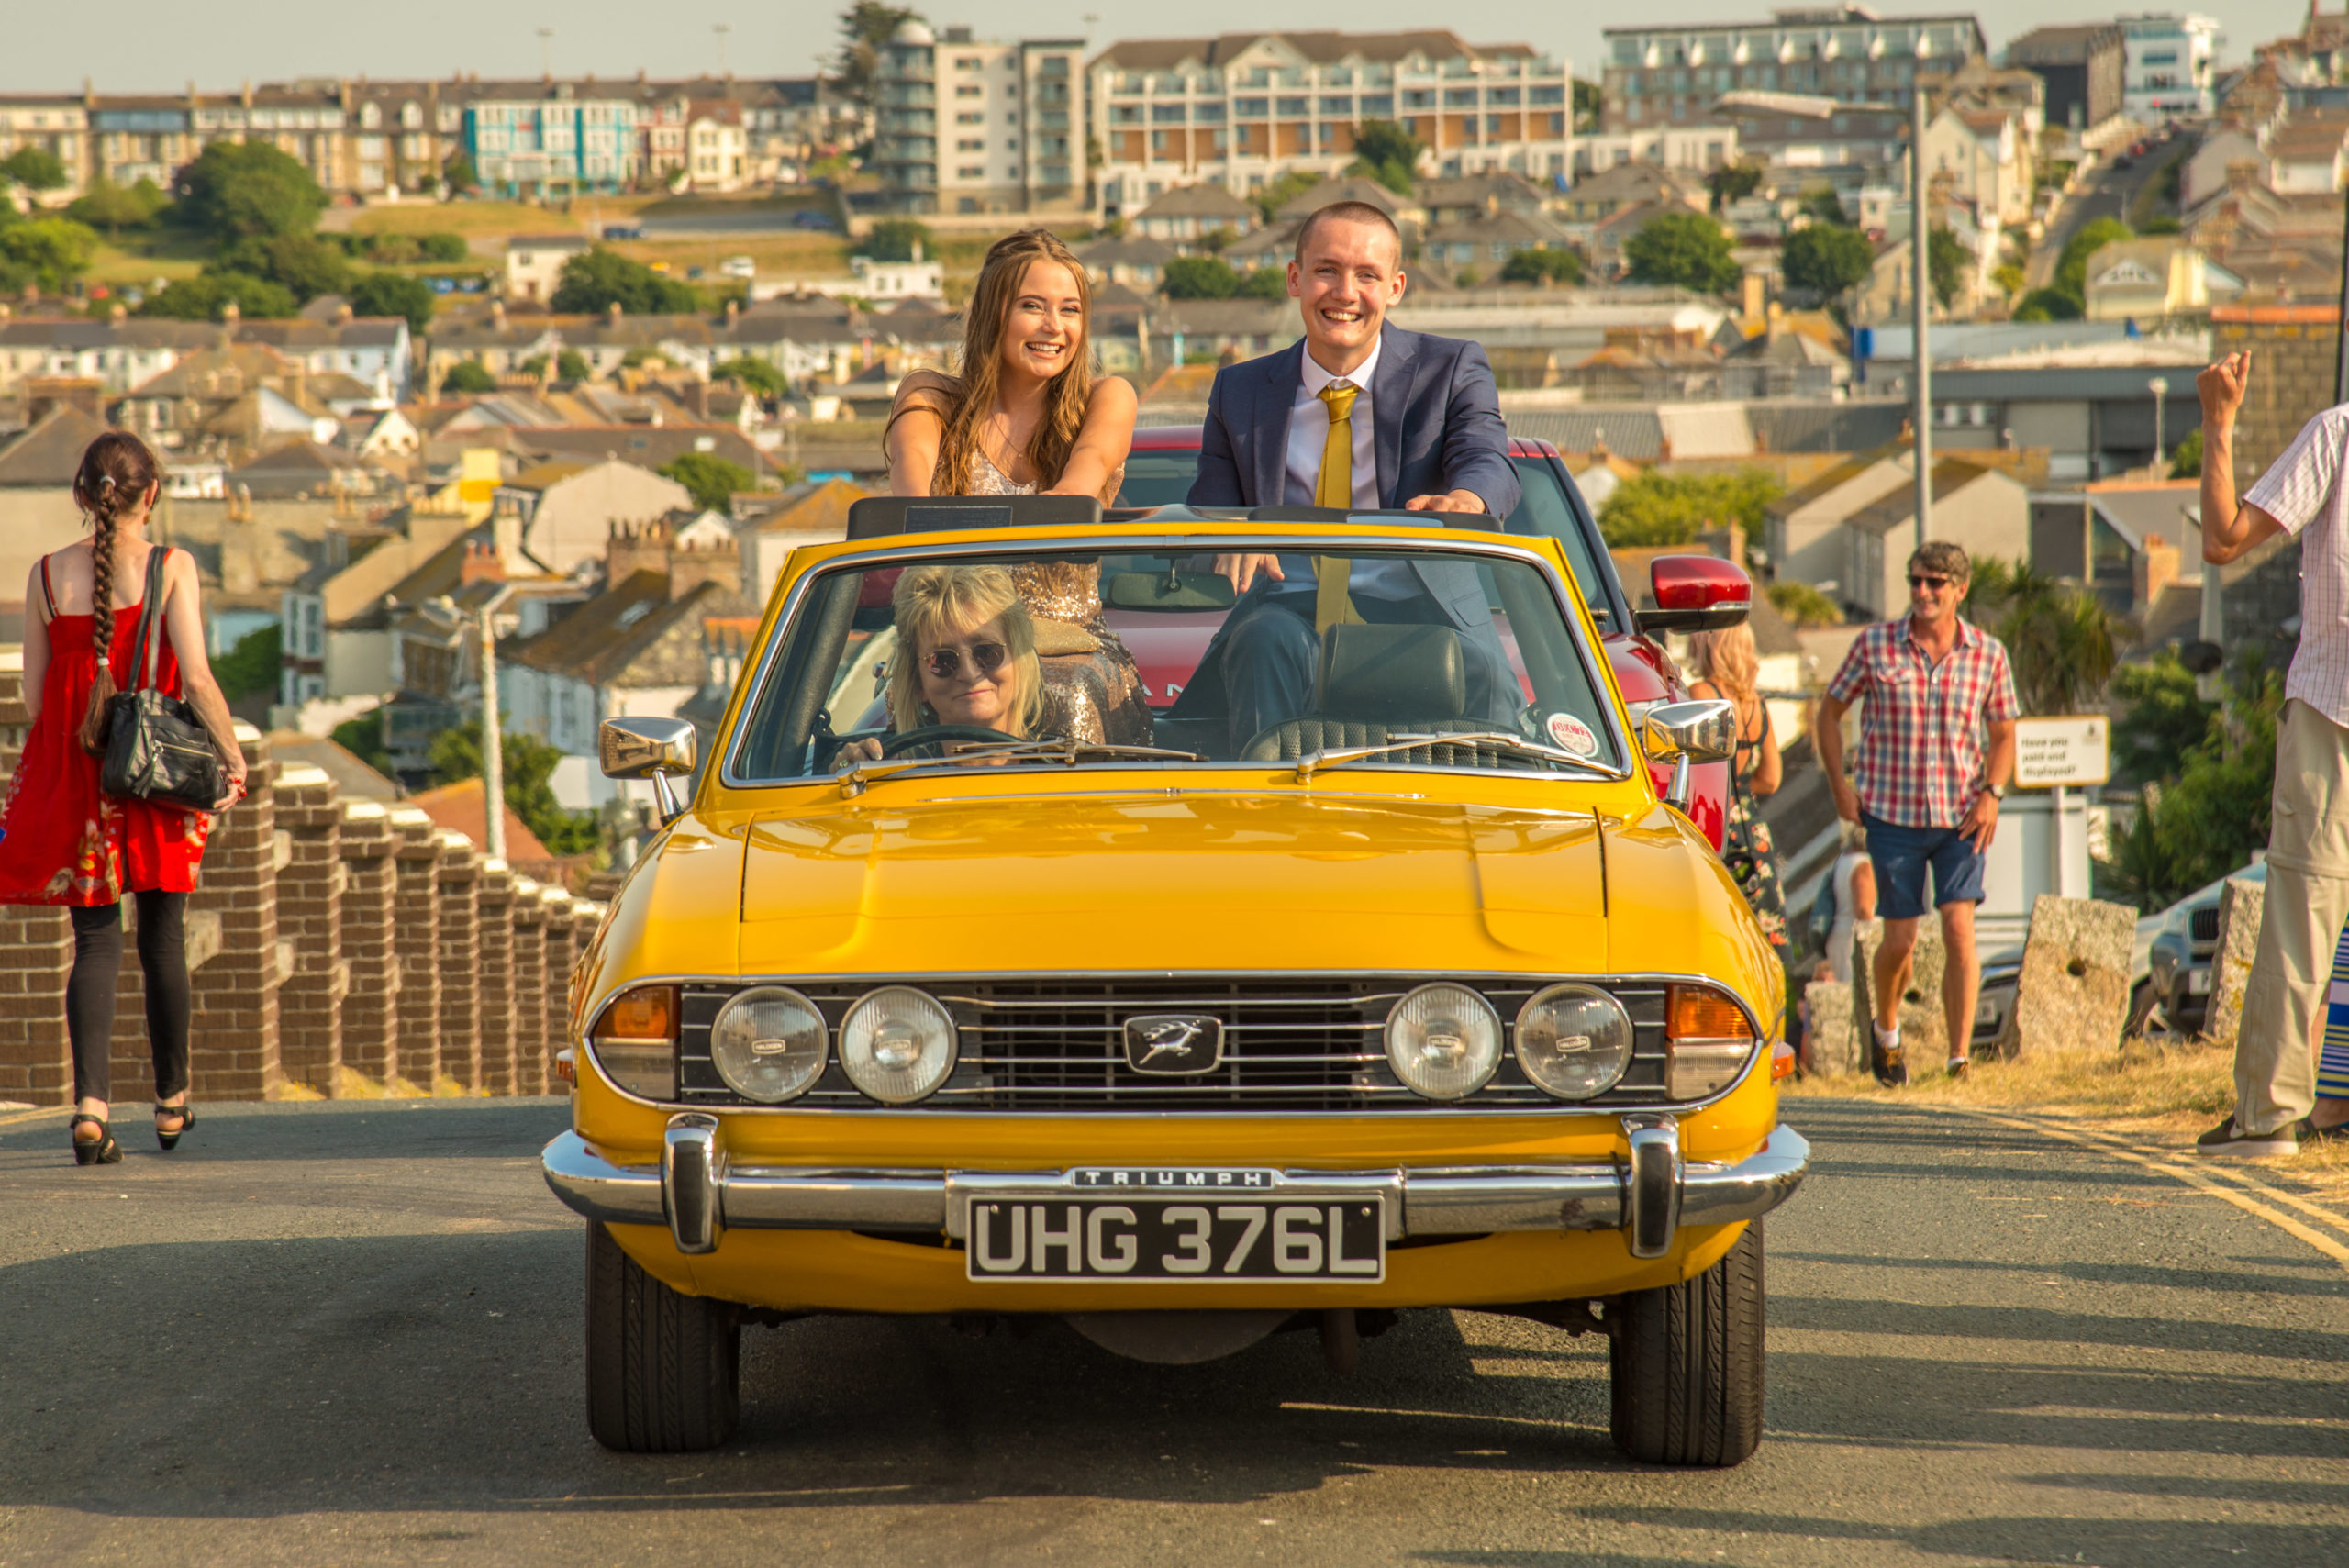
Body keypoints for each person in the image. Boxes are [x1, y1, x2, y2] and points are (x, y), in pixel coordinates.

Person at [1177, 200, 1524, 755]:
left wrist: (1467, 496)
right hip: (1287, 612)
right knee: (1261, 640)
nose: (1345, 293)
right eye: (1326, 270)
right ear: (1295, 279)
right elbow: (1203, 521)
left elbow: (1487, 457)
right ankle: (1265, 800)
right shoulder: (1239, 390)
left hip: (1423, 612)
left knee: (1482, 685)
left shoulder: (1452, 367)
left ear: (1395, 288)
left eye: (1367, 275)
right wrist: (1227, 539)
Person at [0, 431, 247, 1163]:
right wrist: (232, 758)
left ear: (82, 495)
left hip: (80, 771)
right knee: (163, 936)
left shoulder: (45, 577)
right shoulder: (173, 567)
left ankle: (90, 1109)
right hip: (154, 771)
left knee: (95, 942)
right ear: (153, 493)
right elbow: (196, 678)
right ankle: (170, 1101)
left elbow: (34, 698)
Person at [885, 228, 1148, 748]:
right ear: (993, 313)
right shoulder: (930, 397)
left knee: (1066, 697)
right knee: (913, 708)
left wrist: (1065, 496)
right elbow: (912, 506)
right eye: (1033, 306)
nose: (1054, 326)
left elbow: (1084, 477)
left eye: (1070, 310)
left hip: (1069, 646)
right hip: (958, 645)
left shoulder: (1108, 397)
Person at [2192, 350, 2349, 1154]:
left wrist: (2218, 422)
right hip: (2331, 704)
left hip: (2333, 711)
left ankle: (2268, 1115)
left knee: (2303, 915)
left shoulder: (2339, 435)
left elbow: (2225, 540)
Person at [1812, 540, 2018, 1087]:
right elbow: (1829, 714)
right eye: (1916, 581)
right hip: (1892, 816)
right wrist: (1840, 786)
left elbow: (2004, 734)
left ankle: (1958, 1058)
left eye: (1935, 582)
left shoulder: (1988, 654)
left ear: (1960, 589)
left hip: (1961, 816)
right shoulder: (1875, 645)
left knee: (1959, 929)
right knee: (1900, 939)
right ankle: (1886, 1031)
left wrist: (1993, 793)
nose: (1923, 592)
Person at [839, 565, 1044, 762]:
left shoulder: (1063, 767)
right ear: (918, 682)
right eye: (942, 661)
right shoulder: (886, 774)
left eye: (987, 652)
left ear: (1018, 661)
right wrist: (844, 771)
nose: (969, 673)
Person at [1688, 624, 1786, 952]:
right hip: (1752, 833)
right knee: (1760, 943)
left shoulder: (1701, 694)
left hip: (1712, 823)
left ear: (1709, 644)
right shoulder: (1757, 704)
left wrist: (1725, 792)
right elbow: (1771, 778)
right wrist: (1740, 792)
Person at [1820, 821, 1878, 985]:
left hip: (1839, 936)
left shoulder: (1844, 858)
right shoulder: (1863, 864)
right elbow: (1863, 910)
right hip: (1853, 940)